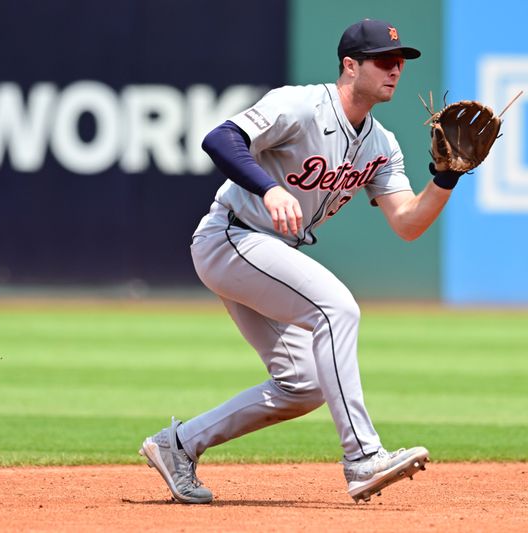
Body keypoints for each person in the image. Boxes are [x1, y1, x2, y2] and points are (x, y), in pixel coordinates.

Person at [139, 18, 464, 504]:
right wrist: (269, 188)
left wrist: (445, 177)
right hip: (230, 236)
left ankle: (179, 445)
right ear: (350, 66)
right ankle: (362, 459)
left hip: (264, 251)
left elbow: (408, 223)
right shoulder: (301, 104)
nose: (395, 69)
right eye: (383, 60)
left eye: (400, 62)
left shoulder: (382, 144)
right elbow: (220, 138)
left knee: (303, 384)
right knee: (337, 308)